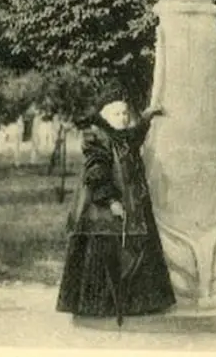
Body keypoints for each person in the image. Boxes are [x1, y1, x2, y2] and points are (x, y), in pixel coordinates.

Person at [56, 90, 176, 323]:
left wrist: (147, 117)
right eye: (117, 113)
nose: (122, 117)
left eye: (124, 113)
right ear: (105, 116)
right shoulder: (97, 137)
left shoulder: (121, 136)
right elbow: (97, 173)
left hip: (131, 204)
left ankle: (136, 305)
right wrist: (110, 201)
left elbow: (134, 135)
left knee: (135, 249)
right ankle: (100, 307)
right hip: (102, 210)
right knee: (106, 252)